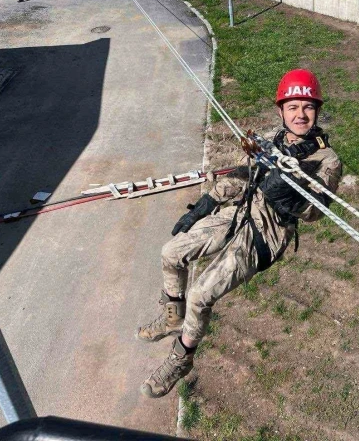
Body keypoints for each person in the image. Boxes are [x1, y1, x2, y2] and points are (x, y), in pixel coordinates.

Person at [137, 69, 342, 398]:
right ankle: (173, 315)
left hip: (267, 232)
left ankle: (181, 358)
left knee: (201, 295)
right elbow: (246, 174)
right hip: (240, 211)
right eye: (293, 107)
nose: (300, 114)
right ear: (281, 111)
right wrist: (208, 202)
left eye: (307, 107)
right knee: (171, 252)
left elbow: (316, 211)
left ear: (317, 111)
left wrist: (289, 196)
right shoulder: (277, 141)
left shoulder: (326, 160)